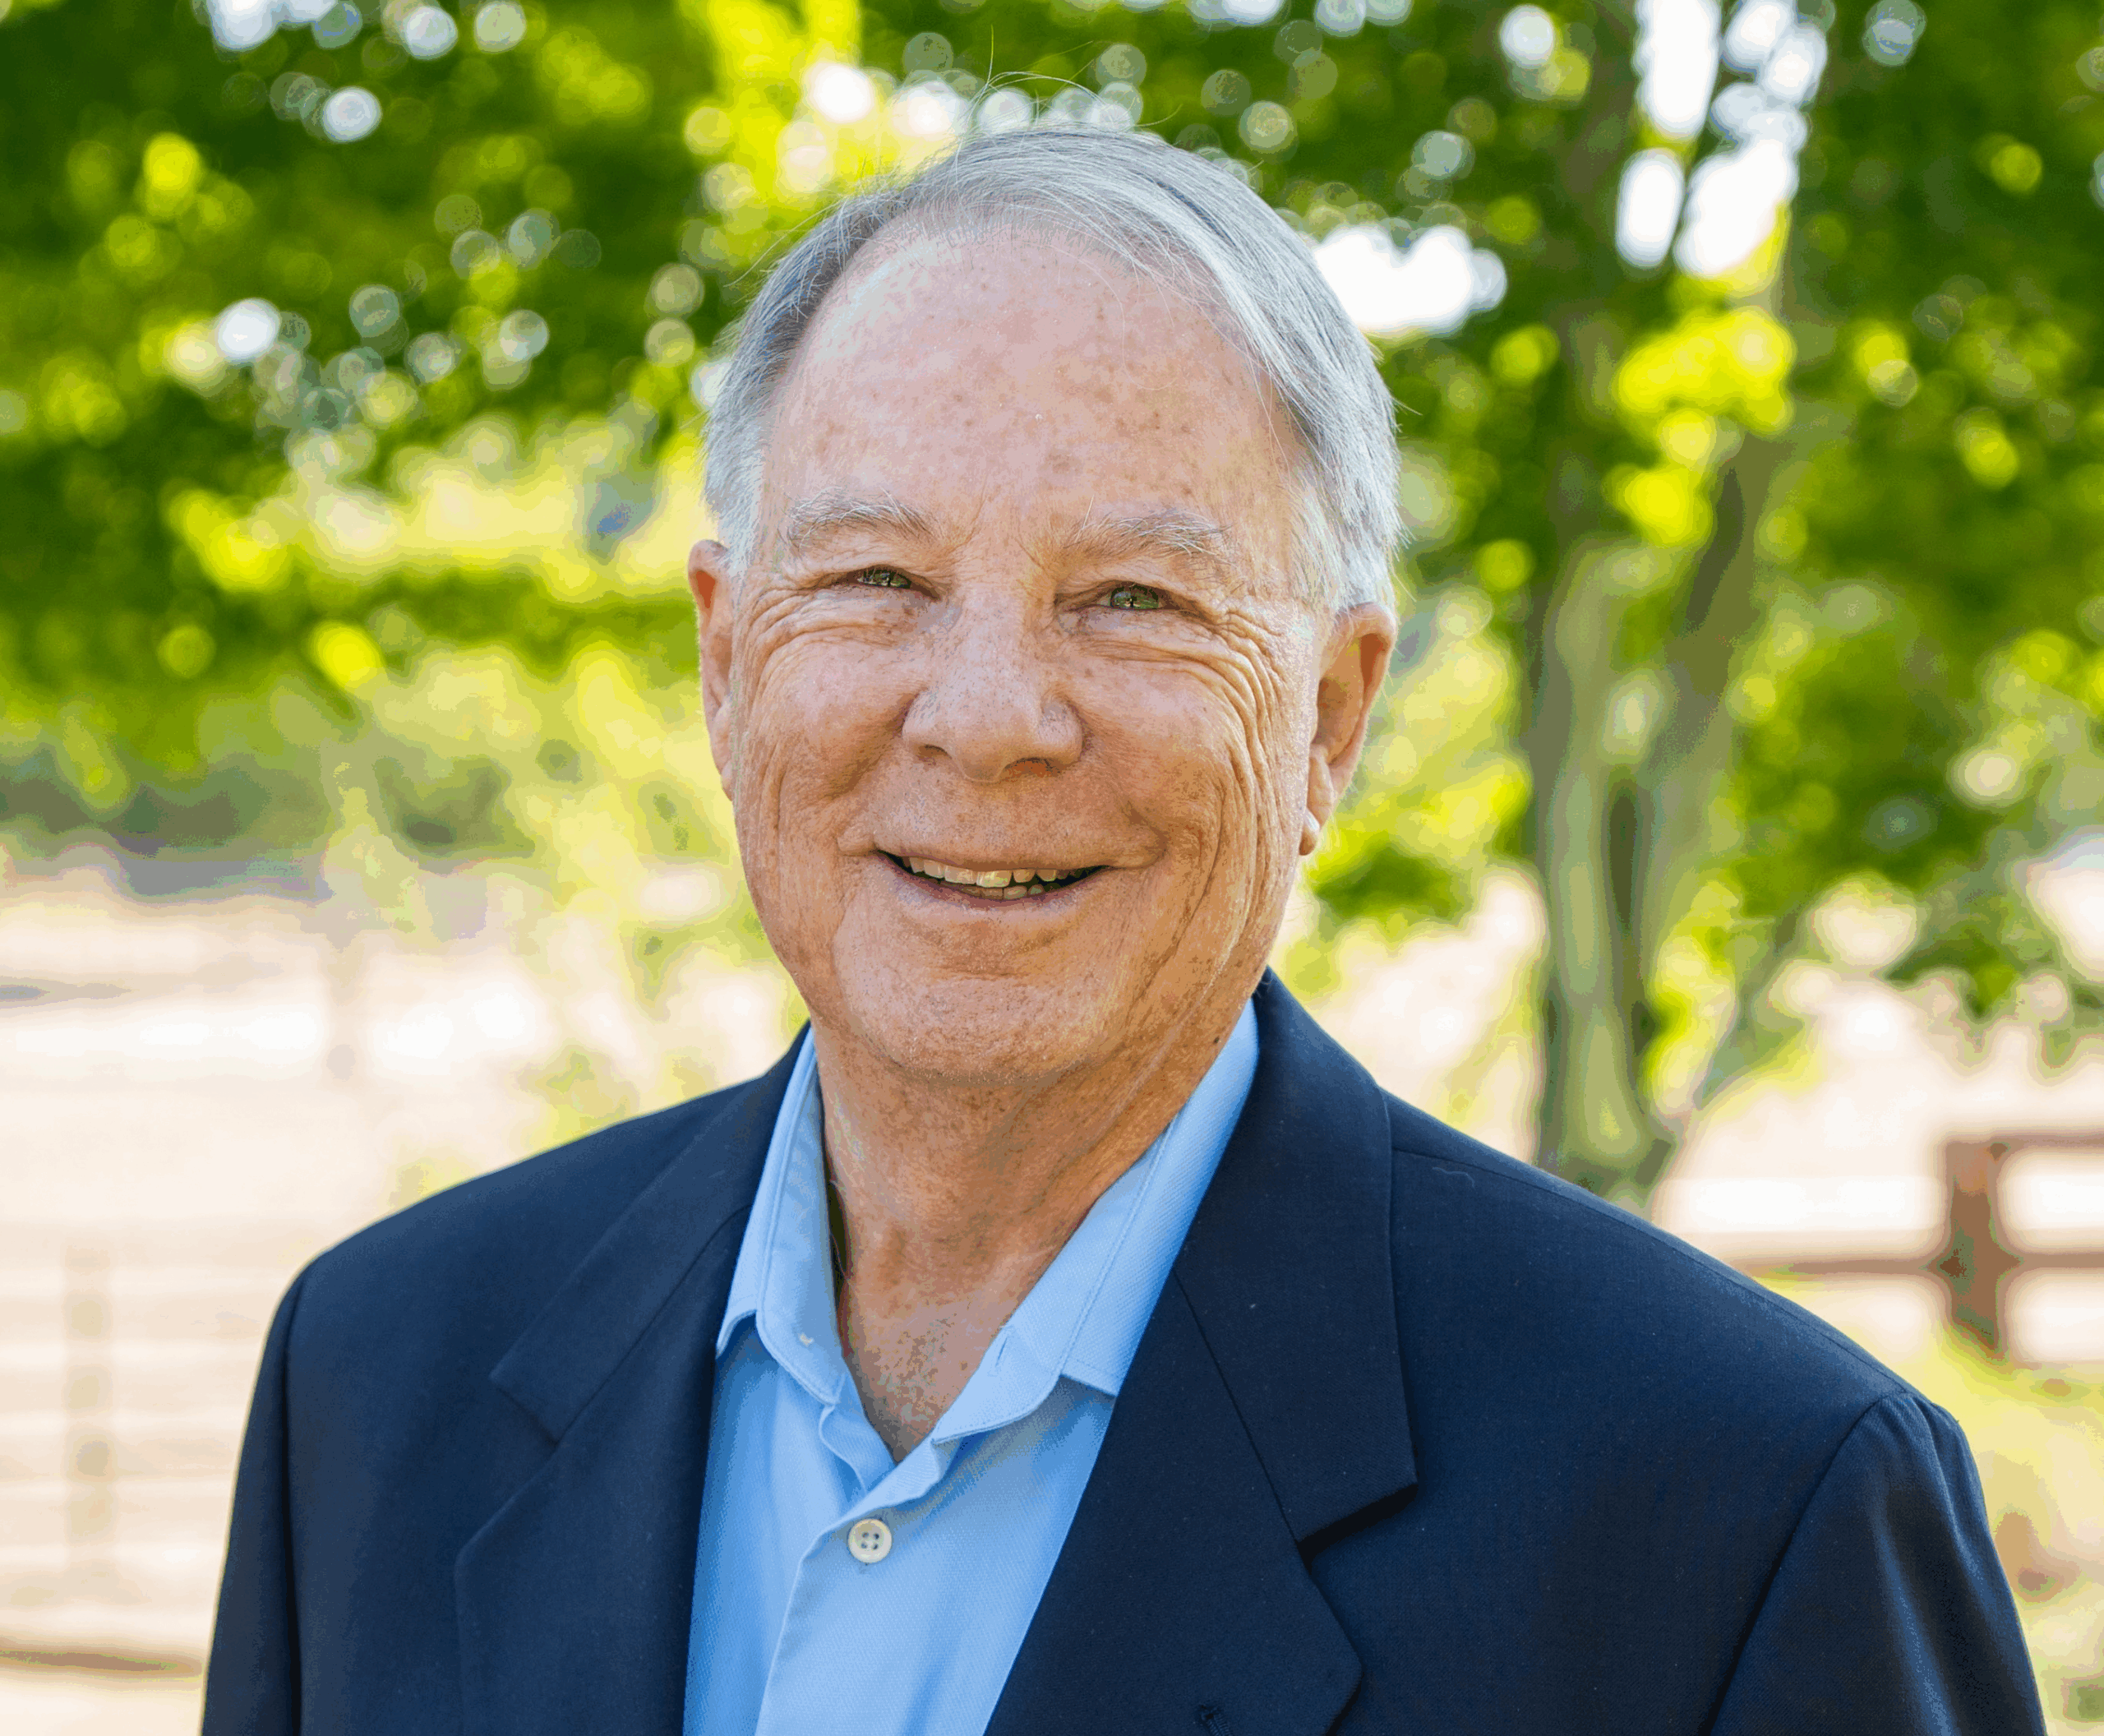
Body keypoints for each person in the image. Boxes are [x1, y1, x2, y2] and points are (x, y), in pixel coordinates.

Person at [203, 127, 2043, 1736]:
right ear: (725, 659)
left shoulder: (1742, 1513)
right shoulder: (374, 1384)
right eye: (875, 580)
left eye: (1135, 599)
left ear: (1329, 717)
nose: (987, 717)